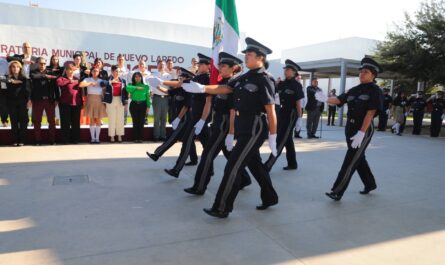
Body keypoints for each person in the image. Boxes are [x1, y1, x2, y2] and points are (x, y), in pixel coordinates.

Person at [182, 37, 279, 218]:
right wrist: (203, 88)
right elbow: (225, 89)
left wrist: (273, 136)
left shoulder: (265, 79)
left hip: (254, 128)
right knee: (255, 165)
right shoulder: (244, 77)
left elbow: (270, 110)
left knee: (232, 167)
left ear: (261, 58)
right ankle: (270, 196)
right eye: (246, 54)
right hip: (243, 127)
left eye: (249, 54)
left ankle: (222, 207)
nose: (246, 57)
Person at [183, 52, 252, 195]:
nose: (220, 67)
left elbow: (233, 110)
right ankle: (245, 178)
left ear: (233, 68)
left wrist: (231, 133)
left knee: (207, 156)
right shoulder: (221, 82)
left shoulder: (235, 84)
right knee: (229, 154)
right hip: (218, 123)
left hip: (225, 125)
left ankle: (199, 186)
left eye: (224, 65)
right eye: (219, 65)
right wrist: (204, 120)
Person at [315, 57, 383, 201]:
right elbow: (339, 100)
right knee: (358, 158)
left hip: (363, 129)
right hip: (350, 127)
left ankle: (337, 191)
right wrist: (325, 99)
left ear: (373, 75)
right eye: (361, 71)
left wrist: (361, 132)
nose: (362, 74)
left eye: (365, 72)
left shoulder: (375, 91)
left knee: (350, 160)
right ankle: (370, 184)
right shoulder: (354, 89)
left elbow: (370, 113)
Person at [164, 53, 212, 178]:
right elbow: (181, 84)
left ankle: (176, 169)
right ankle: (210, 168)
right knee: (208, 145)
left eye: (201, 64)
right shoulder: (197, 78)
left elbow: (208, 101)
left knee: (187, 142)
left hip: (198, 118)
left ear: (208, 66)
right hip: (194, 116)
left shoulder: (207, 79)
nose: (199, 66)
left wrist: (202, 120)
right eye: (198, 64)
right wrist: (162, 82)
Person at [146, 68, 194, 161]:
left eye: (182, 77)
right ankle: (194, 159)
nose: (179, 79)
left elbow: (186, 106)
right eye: (179, 77)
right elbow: (168, 92)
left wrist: (178, 119)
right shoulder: (181, 88)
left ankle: (157, 154)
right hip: (181, 117)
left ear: (187, 79)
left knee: (172, 137)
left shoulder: (189, 90)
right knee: (188, 139)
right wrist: (157, 86)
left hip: (185, 118)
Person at [264, 59, 304, 172]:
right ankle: (292, 163)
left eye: (288, 70)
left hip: (291, 115)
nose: (285, 71)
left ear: (294, 72)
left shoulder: (296, 85)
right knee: (288, 140)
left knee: (280, 140)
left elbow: (298, 103)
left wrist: (299, 118)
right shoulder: (281, 83)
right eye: (285, 69)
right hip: (281, 113)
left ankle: (267, 165)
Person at [30, 57, 59, 145]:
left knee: (51, 121)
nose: (42, 65)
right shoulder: (33, 72)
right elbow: (34, 77)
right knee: (37, 121)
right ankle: (38, 140)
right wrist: (46, 76)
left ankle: (52, 140)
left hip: (49, 101)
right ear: (37, 64)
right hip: (37, 101)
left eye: (44, 64)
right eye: (41, 63)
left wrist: (57, 98)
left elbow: (55, 87)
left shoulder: (51, 72)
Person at [4, 61, 30, 146]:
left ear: (20, 68)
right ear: (11, 68)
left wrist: (29, 100)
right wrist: (11, 80)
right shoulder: (7, 77)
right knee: (14, 122)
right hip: (11, 103)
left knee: (23, 121)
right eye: (13, 67)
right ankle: (15, 140)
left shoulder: (24, 78)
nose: (15, 69)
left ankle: (22, 140)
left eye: (17, 67)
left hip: (23, 102)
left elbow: (28, 90)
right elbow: (2, 79)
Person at [79, 67, 107, 143]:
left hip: (99, 100)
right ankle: (92, 138)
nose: (95, 72)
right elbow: (80, 84)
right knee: (91, 120)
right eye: (94, 71)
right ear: (91, 72)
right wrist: (90, 83)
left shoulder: (101, 81)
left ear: (99, 72)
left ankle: (97, 138)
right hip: (90, 99)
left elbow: (105, 90)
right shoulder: (88, 79)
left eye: (97, 71)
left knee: (98, 120)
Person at [57, 63, 83, 144]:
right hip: (65, 104)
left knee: (75, 123)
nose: (71, 71)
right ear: (66, 70)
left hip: (76, 104)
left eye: (72, 70)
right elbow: (59, 83)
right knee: (65, 123)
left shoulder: (77, 79)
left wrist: (82, 102)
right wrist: (69, 81)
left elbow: (80, 92)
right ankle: (65, 140)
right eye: (69, 70)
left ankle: (75, 140)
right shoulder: (61, 78)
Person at [102, 65, 128, 142]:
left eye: (119, 71)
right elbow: (102, 84)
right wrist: (111, 82)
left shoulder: (123, 81)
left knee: (120, 119)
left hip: (120, 100)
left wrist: (126, 102)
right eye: (116, 71)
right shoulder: (108, 79)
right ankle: (112, 136)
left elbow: (125, 93)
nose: (117, 73)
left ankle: (119, 135)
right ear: (112, 72)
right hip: (111, 101)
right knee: (112, 119)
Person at [126, 72, 151, 143]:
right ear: (133, 78)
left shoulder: (146, 86)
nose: (137, 78)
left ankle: (140, 138)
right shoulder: (131, 85)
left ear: (141, 77)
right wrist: (137, 87)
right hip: (134, 104)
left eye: (139, 77)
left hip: (143, 105)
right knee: (135, 121)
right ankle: (135, 138)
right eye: (136, 77)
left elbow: (148, 97)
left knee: (141, 122)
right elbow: (127, 88)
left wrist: (148, 106)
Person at [151, 59, 171, 141]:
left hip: (165, 98)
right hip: (157, 98)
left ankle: (163, 135)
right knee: (156, 118)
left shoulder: (168, 76)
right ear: (157, 65)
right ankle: (156, 136)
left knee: (164, 118)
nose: (161, 66)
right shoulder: (153, 74)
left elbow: (169, 87)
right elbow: (150, 85)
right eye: (160, 64)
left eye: (163, 64)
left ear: (165, 66)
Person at [47, 55, 64, 126]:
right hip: (49, 88)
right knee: (50, 105)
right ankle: (51, 120)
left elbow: (62, 77)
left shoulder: (61, 69)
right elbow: (45, 75)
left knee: (58, 103)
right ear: (51, 60)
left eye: (56, 59)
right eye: (53, 59)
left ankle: (57, 119)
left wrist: (54, 77)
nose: (55, 61)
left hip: (59, 88)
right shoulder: (47, 68)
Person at [116, 55, 130, 125]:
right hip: (115, 91)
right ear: (117, 60)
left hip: (125, 91)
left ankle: (124, 123)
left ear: (124, 61)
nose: (121, 61)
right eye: (119, 59)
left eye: (122, 60)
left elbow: (129, 82)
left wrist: (129, 92)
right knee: (116, 108)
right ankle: (116, 124)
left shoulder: (127, 70)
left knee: (125, 108)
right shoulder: (114, 69)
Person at [0, 58, 9, 127]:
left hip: (2, 87)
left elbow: (8, 74)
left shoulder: (4, 61)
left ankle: (4, 121)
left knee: (3, 105)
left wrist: (2, 78)